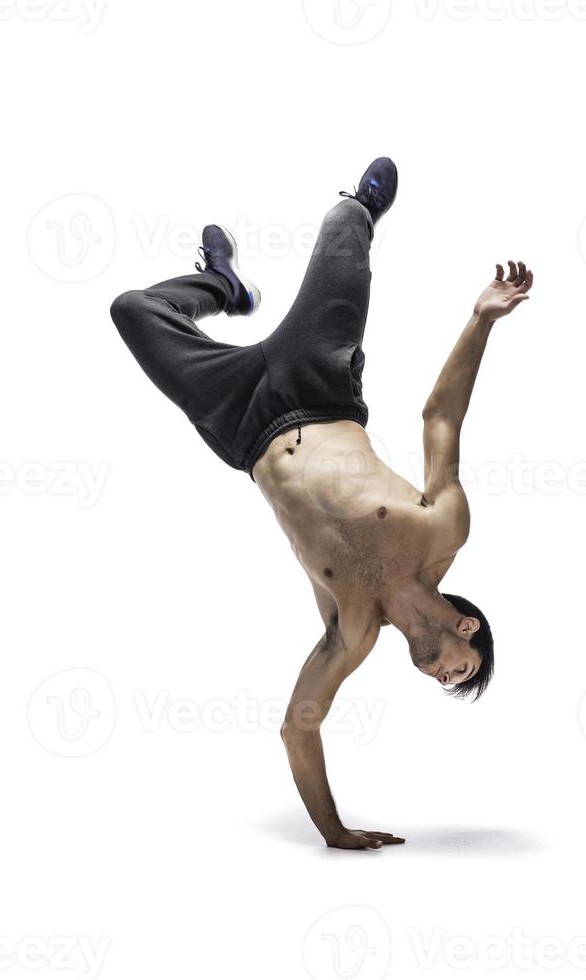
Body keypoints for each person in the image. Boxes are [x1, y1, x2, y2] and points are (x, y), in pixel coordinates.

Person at [110, 158, 534, 849]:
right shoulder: (441, 533)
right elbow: (439, 420)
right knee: (345, 224)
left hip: (243, 426)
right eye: (465, 669)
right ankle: (358, 212)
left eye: (451, 683)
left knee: (132, 310)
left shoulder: (353, 632)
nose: (447, 678)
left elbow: (299, 726)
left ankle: (221, 284)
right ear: (466, 629)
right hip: (318, 385)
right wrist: (481, 320)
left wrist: (331, 830)